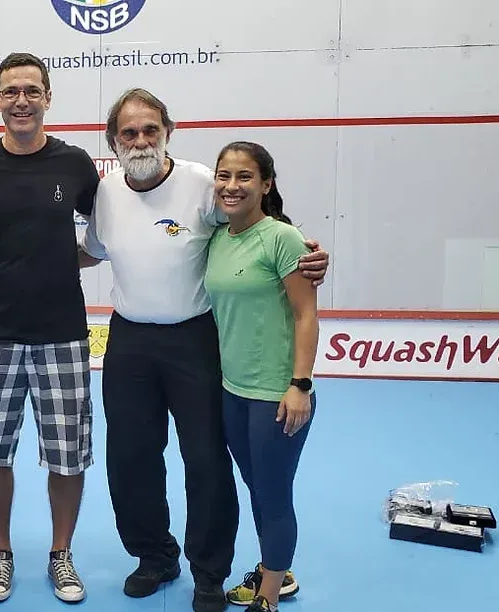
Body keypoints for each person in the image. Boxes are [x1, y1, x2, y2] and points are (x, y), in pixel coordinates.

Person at [78, 89, 327, 612]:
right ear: (114, 141)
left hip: (194, 341)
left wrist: (305, 254)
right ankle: (154, 556)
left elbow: (254, 225)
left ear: (168, 130)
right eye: (129, 132)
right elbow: (90, 252)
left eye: (150, 129)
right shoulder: (104, 194)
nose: (140, 140)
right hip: (129, 342)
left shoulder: (200, 184)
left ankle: (209, 571)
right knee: (130, 458)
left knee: (206, 461)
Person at [0, 52, 98, 604]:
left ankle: (61, 554)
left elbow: (108, 231)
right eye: (10, 91)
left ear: (47, 98)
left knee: (68, 452)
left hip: (63, 333)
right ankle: (0, 554)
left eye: (31, 91)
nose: (21, 101)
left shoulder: (76, 164)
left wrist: (66, 258)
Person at [201, 142, 318, 612]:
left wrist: (300, 385)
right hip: (232, 391)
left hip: (277, 393)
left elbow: (306, 314)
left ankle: (267, 596)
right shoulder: (217, 238)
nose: (232, 186)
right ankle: (276, 570)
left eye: (244, 176)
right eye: (224, 176)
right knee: (257, 487)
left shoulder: (283, 239)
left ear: (266, 184)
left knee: (272, 493)